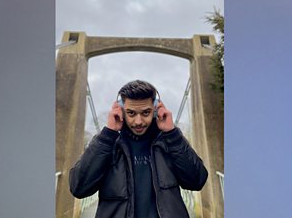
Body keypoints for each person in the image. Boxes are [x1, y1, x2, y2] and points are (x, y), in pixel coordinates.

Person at [69, 80, 208, 218]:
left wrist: (173, 134)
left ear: (155, 109)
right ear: (121, 111)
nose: (139, 121)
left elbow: (197, 181)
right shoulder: (108, 144)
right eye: (131, 113)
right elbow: (79, 188)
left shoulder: (170, 142)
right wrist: (107, 135)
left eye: (146, 113)